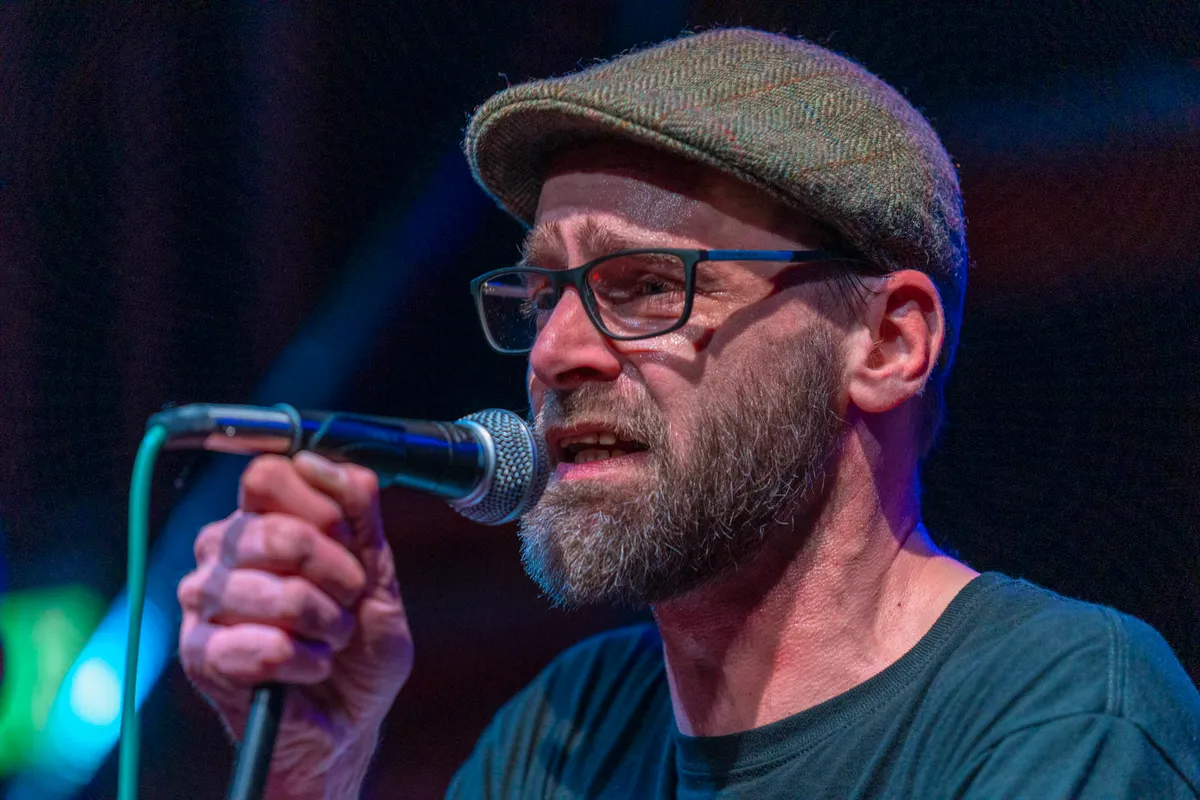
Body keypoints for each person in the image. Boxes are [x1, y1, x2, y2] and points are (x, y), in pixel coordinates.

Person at [177, 28, 1200, 798]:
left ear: (888, 342)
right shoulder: (561, 733)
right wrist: (310, 770)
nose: (554, 351)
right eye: (543, 294)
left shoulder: (1062, 710)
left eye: (645, 286)